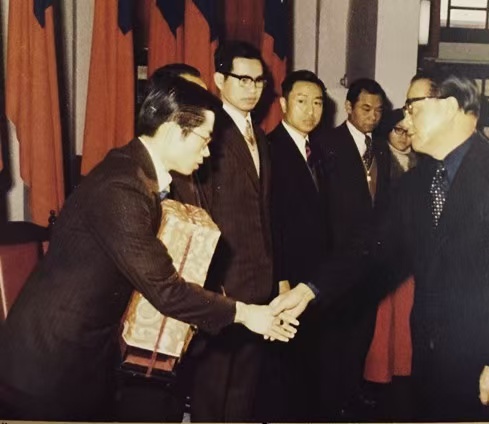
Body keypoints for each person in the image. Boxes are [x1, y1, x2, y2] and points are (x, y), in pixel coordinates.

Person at [0, 76, 296, 422]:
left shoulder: (135, 172)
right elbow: (166, 290)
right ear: (172, 131)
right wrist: (246, 314)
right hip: (47, 365)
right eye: (204, 140)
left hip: (82, 357)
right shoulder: (123, 187)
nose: (207, 152)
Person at [271, 74, 489, 422]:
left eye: (412, 108)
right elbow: (369, 245)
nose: (404, 122)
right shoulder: (417, 183)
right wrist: (309, 289)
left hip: (487, 361)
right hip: (430, 360)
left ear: (448, 107)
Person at [171, 40, 274, 422]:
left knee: (244, 391)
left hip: (258, 284)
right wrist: (213, 283)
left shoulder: (259, 135)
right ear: (218, 79)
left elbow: (262, 214)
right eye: (242, 79)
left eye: (258, 81)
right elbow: (198, 213)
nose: (252, 88)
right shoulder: (208, 132)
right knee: (213, 393)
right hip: (223, 288)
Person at [312, 77, 391, 420]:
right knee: (334, 336)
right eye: (366, 108)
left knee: (362, 332)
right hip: (337, 259)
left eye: (378, 110)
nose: (373, 116)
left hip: (370, 263)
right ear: (348, 107)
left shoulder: (382, 148)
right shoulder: (325, 143)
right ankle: (330, 403)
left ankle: (351, 394)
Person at [258, 69, 329, 421]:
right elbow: (271, 221)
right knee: (284, 370)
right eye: (302, 101)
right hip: (287, 279)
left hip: (314, 278)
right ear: (284, 104)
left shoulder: (318, 150)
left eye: (317, 103)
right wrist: (282, 279)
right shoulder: (271, 149)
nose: (310, 111)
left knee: (308, 367)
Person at [361, 108, 418, 420]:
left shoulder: (422, 159)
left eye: (408, 131)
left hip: (412, 252)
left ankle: (403, 372)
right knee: (385, 320)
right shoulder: (379, 158)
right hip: (387, 250)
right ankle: (379, 377)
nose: (404, 137)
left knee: (407, 317)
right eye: (398, 130)